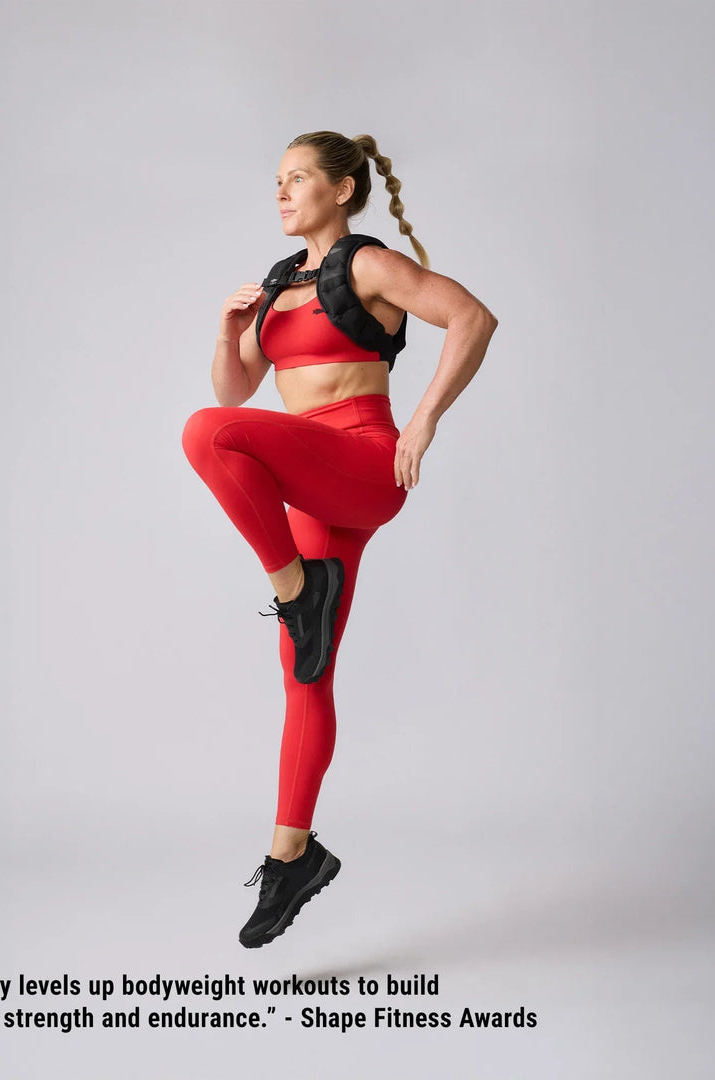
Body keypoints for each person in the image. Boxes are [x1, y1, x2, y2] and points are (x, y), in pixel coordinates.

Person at [181, 131, 498, 948]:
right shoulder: (280, 282)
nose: (281, 193)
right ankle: (293, 856)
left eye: (297, 179)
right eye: (276, 181)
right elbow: (237, 387)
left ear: (343, 188)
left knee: (205, 433)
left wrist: (422, 421)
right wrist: (227, 330)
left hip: (359, 459)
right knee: (305, 672)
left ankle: (297, 589)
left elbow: (472, 317)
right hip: (314, 483)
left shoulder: (368, 264)